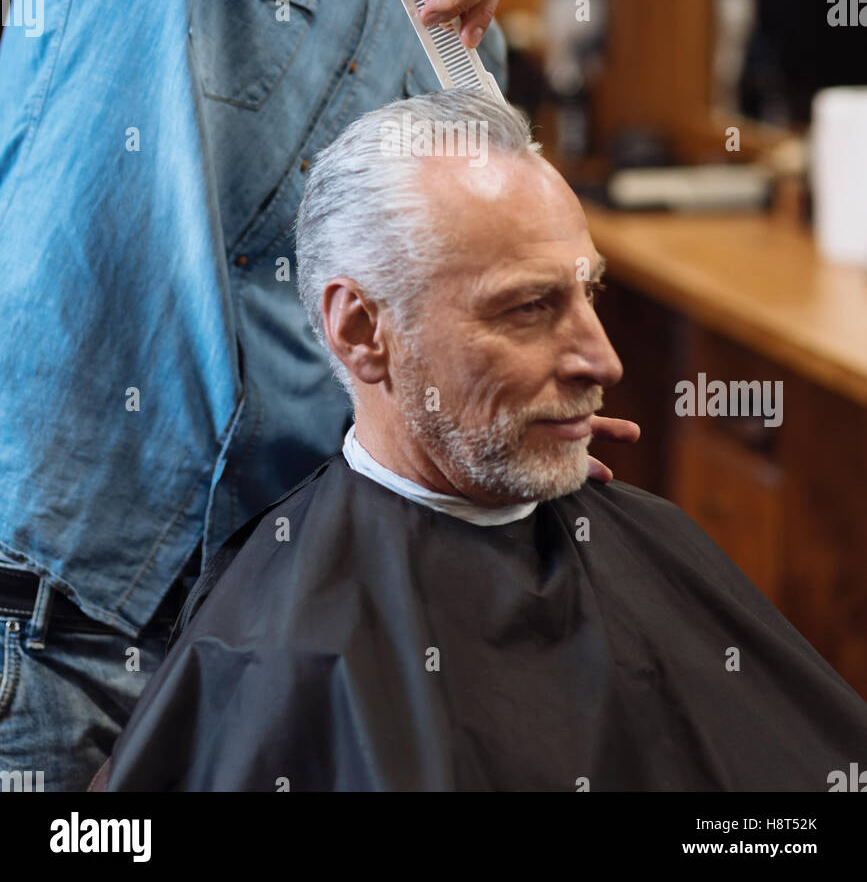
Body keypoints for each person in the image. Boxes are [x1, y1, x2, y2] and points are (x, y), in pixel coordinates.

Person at [0, 0, 748, 789]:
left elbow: (381, 339)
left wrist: (501, 406)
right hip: (33, 619)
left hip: (239, 652)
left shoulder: (449, 33)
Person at [100, 90, 867, 792]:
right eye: (530, 307)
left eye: (586, 293)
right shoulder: (273, 654)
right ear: (363, 331)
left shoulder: (652, 541)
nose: (603, 360)